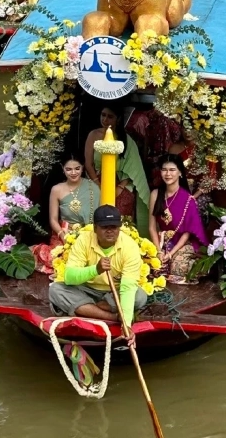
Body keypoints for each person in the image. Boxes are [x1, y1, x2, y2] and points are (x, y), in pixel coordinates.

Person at [48, 204, 147, 335]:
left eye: (114, 227)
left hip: (114, 293)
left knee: (140, 296)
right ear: (95, 228)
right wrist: (96, 270)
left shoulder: (130, 246)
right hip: (86, 289)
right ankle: (110, 316)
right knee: (55, 290)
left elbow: (127, 288)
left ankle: (89, 309)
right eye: (105, 227)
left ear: (119, 228)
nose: (110, 231)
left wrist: (126, 324)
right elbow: (69, 277)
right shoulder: (83, 240)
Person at [84, 105, 150, 234]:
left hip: (121, 183)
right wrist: (98, 184)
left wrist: (120, 187)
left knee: (121, 216)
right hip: (96, 180)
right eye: (103, 115)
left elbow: (133, 167)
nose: (105, 119)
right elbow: (88, 164)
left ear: (118, 119)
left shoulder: (125, 139)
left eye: (110, 117)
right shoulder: (93, 135)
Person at [32, 157, 101, 275]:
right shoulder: (57, 189)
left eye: (77, 168)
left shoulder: (92, 188)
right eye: (69, 169)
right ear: (62, 169)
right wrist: (62, 235)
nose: (73, 173)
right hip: (65, 233)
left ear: (82, 167)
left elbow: (99, 216)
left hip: (89, 233)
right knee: (58, 261)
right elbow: (53, 219)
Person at [148, 156, 207, 284]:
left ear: (180, 172)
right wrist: (158, 251)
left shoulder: (188, 200)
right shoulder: (155, 194)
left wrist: (171, 254)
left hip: (183, 243)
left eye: (172, 170)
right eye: (164, 170)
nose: (168, 174)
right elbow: (152, 227)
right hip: (161, 241)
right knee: (151, 268)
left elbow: (187, 233)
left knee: (178, 268)